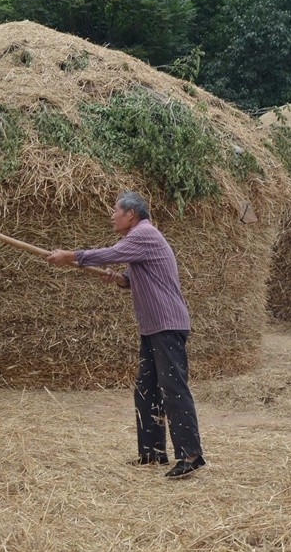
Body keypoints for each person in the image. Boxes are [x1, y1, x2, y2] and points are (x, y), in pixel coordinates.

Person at [47, 190, 206, 479]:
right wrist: (121, 279)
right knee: (146, 389)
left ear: (130, 214)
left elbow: (111, 253)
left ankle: (191, 455)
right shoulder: (141, 240)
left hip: (167, 324)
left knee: (173, 389)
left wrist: (71, 256)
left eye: (115, 210)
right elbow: (135, 276)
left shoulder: (144, 234)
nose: (112, 215)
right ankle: (152, 453)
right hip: (153, 326)